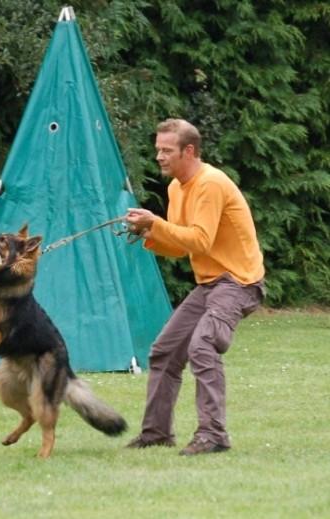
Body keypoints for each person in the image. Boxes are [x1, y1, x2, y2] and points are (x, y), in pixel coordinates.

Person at [125, 118, 265, 456]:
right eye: (158, 149)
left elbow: (201, 240)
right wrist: (149, 233)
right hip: (210, 284)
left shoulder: (210, 183)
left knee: (203, 344)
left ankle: (213, 435)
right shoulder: (176, 187)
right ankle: (156, 434)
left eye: (166, 150)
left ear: (189, 151)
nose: (159, 156)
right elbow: (181, 247)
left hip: (239, 282)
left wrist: (156, 223)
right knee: (164, 351)